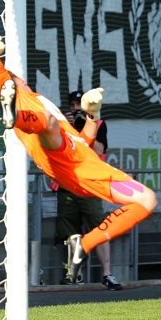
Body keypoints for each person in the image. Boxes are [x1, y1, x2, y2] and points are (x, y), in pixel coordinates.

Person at [0, 32, 157, 282]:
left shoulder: (39, 101)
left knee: (147, 200)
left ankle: (84, 244)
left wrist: (93, 115)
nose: (22, 79)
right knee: (49, 122)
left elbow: (82, 142)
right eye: (16, 79)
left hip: (81, 164)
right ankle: (14, 118)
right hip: (59, 157)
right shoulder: (23, 97)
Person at [52, 91, 121, 290]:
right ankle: (76, 274)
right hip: (68, 184)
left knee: (99, 228)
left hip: (90, 185)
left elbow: (99, 150)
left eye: (79, 104)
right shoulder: (63, 125)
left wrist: (84, 128)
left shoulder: (98, 123)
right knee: (71, 233)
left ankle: (107, 274)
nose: (76, 108)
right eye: (72, 105)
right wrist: (66, 126)